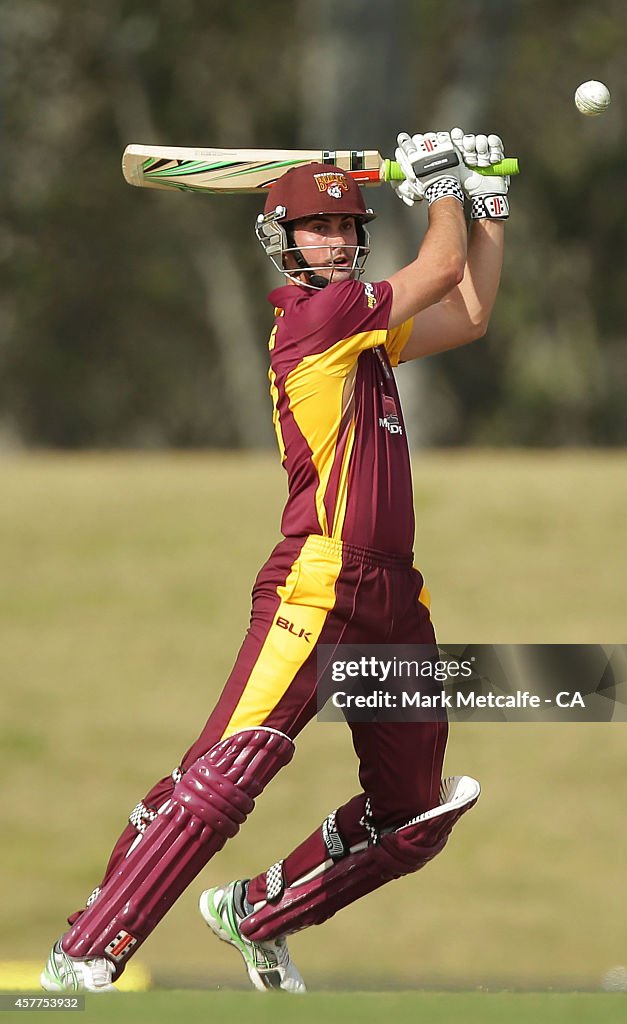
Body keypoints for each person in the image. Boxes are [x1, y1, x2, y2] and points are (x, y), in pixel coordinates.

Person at [41, 128, 508, 994]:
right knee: (230, 768)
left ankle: (258, 913)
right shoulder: (320, 318)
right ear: (284, 241)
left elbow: (470, 311)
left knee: (417, 810)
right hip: (318, 580)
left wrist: (484, 205)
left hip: (395, 597)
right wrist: (446, 183)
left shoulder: (367, 336)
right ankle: (87, 950)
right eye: (315, 228)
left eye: (345, 227)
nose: (334, 240)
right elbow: (437, 273)